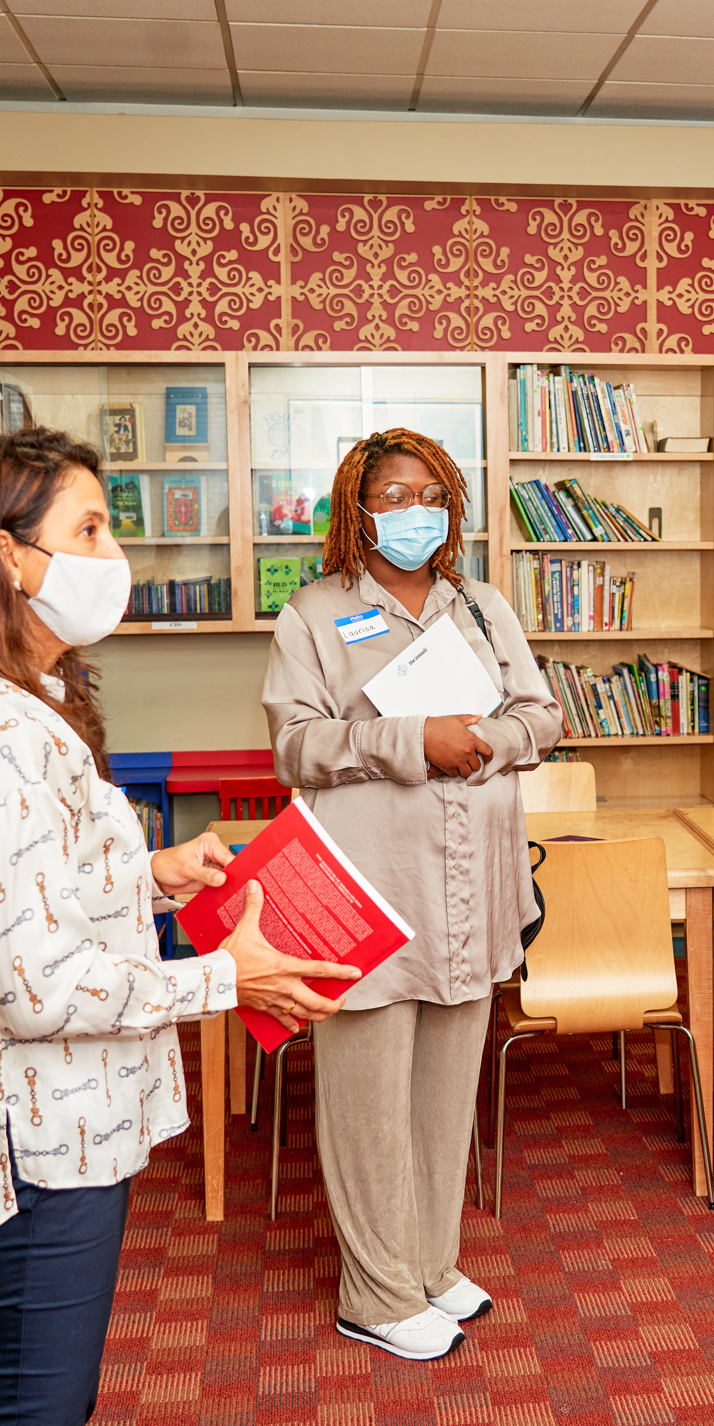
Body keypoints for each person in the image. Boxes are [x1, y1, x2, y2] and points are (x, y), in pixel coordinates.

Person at [0, 428, 353, 1426]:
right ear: (7, 555)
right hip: (28, 1146)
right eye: (85, 528)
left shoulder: (5, 699)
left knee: (42, 1404)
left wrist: (148, 872)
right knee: (28, 1419)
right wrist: (225, 979)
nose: (111, 556)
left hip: (34, 1130)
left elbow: (13, 891)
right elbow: (40, 988)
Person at [262, 429, 563, 1361]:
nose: (412, 510)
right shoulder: (311, 614)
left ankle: (430, 1266)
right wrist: (409, 738)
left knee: (443, 1095)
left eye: (429, 492)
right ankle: (375, 1291)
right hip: (370, 894)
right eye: (392, 494)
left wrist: (484, 740)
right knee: (366, 1101)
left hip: (472, 891)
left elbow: (541, 716)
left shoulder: (480, 606)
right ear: (357, 507)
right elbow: (295, 748)